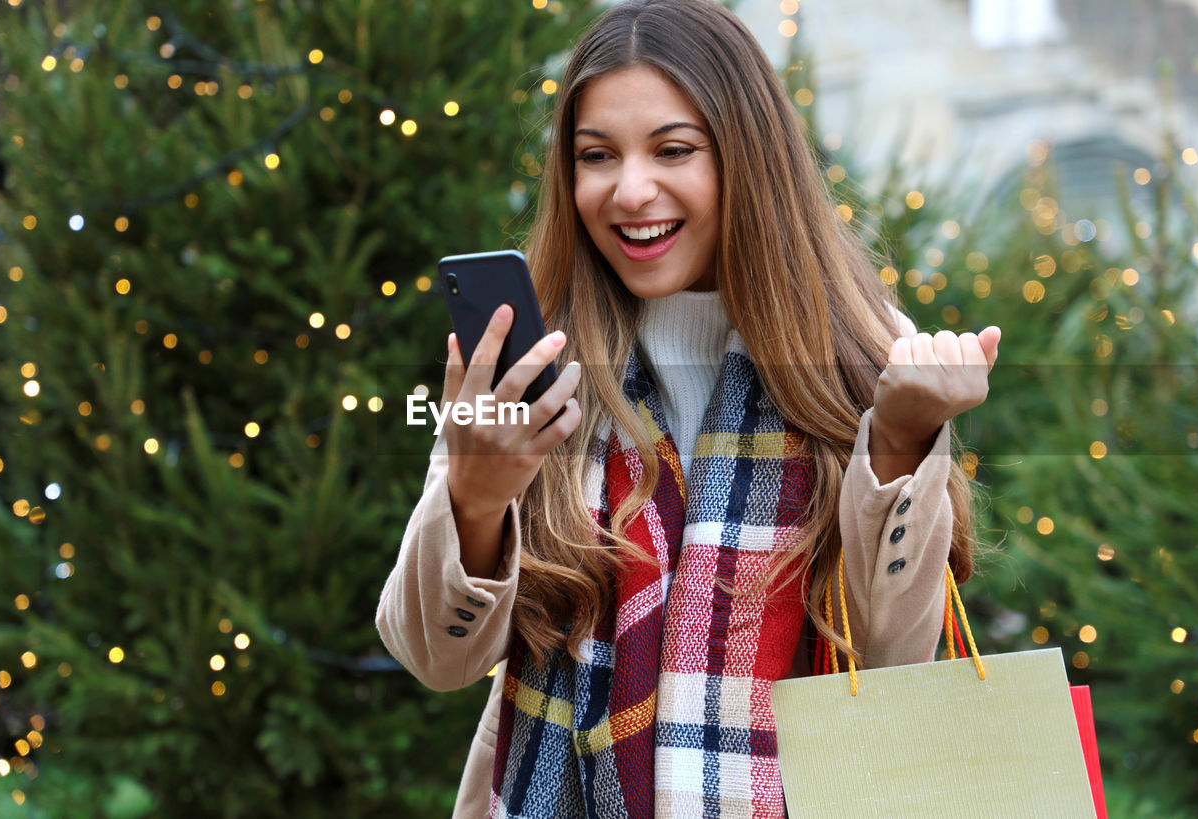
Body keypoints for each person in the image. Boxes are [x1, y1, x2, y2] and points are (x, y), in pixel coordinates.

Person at [377, 0, 1001, 816]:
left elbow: (890, 656)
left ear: (747, 157)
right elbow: (437, 656)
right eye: (596, 155)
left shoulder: (864, 352)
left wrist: (902, 441)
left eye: (674, 150)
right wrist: (476, 494)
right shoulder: (535, 362)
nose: (631, 191)